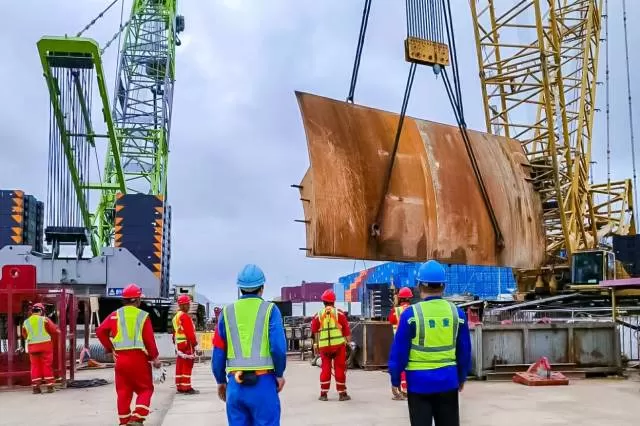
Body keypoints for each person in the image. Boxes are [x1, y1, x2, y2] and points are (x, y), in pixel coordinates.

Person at [388, 260, 472, 426]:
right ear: (444, 286)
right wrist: (461, 377)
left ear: (419, 286)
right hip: (448, 382)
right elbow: (464, 351)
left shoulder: (411, 315)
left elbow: (399, 352)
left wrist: (395, 379)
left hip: (418, 385)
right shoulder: (457, 314)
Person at [212, 264, 287, 426]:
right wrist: (279, 374)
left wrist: (220, 381)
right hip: (263, 383)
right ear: (262, 288)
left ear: (240, 289)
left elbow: (218, 352)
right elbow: (278, 348)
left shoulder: (226, 312)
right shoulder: (270, 310)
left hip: (235, 386)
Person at [97, 284, 162, 426]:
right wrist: (154, 357)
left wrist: (111, 348)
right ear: (137, 300)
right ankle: (137, 417)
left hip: (120, 360)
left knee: (123, 392)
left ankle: (124, 421)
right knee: (145, 389)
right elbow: (149, 340)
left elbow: (100, 331)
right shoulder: (142, 316)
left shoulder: (115, 315)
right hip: (138, 359)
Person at [310, 289, 352, 401]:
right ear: (334, 301)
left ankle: (323, 394)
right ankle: (342, 394)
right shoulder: (340, 314)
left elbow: (314, 330)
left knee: (325, 369)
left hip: (324, 347)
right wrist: (349, 343)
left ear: (323, 302)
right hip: (338, 346)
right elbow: (347, 332)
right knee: (339, 368)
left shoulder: (318, 315)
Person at [22, 302, 60, 394]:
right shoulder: (44, 320)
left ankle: (36, 388)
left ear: (32, 311)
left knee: (35, 366)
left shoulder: (26, 322)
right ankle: (50, 386)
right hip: (45, 346)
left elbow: (25, 335)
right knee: (47, 365)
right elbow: (54, 330)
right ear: (41, 311)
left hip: (32, 347)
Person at [387, 286, 413, 399]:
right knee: (411, 366)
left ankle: (402, 389)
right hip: (413, 343)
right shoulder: (414, 309)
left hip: (399, 342)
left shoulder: (395, 311)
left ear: (400, 298)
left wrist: (395, 305)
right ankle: (409, 389)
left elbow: (390, 320)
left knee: (399, 366)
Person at [172, 294, 199, 394]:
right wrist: (196, 344)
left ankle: (179, 385)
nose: (189, 307)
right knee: (187, 366)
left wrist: (175, 344)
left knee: (180, 365)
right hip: (187, 344)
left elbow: (174, 332)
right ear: (184, 305)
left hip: (179, 345)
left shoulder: (176, 317)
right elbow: (190, 333)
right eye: (188, 304)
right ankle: (186, 387)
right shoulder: (185, 317)